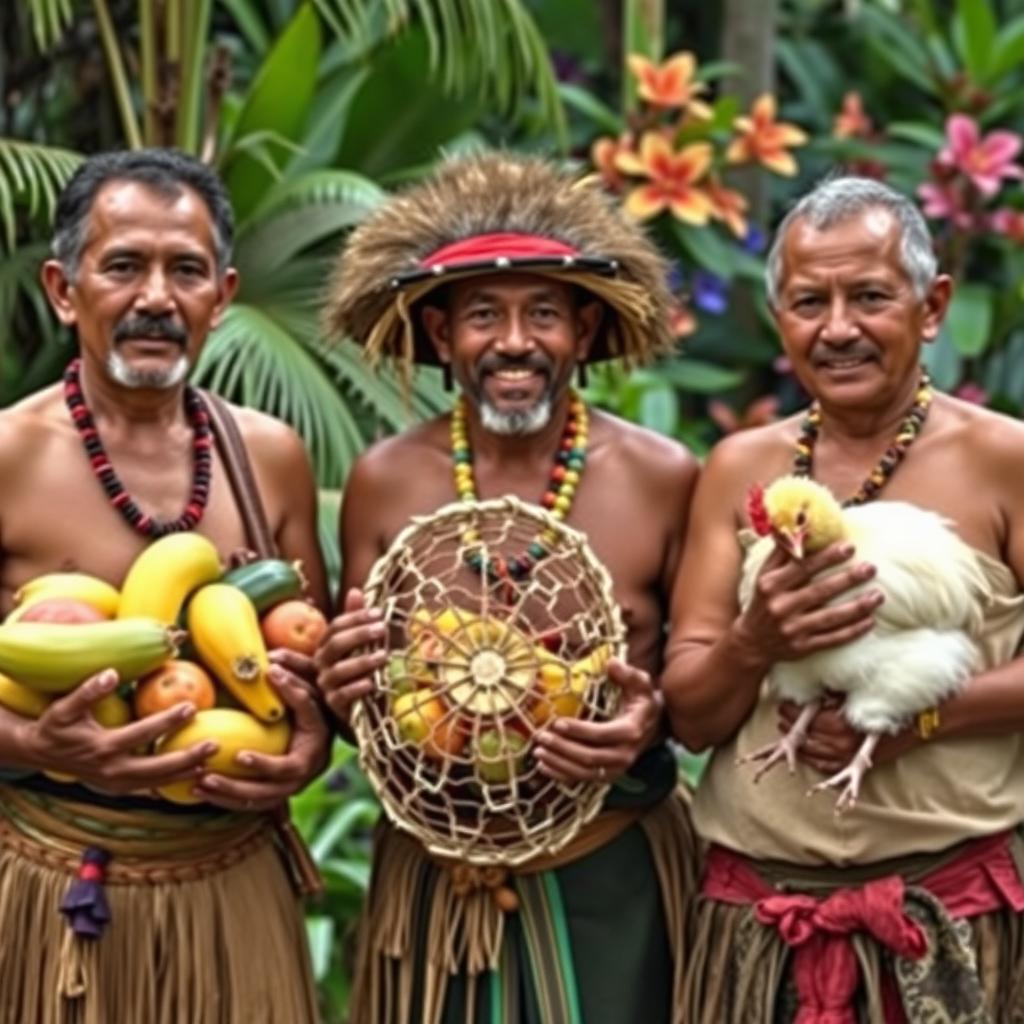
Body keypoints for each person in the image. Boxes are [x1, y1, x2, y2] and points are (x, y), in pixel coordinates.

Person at [316, 151, 701, 1024]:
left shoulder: (663, 477)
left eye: (545, 314)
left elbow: (702, 679)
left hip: (617, 872)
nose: (516, 342)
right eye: (485, 314)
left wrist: (650, 720)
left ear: (590, 332)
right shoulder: (384, 480)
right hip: (437, 884)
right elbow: (362, 703)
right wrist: (340, 695)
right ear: (443, 335)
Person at [663, 175, 1024, 1021]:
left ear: (931, 307)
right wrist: (755, 642)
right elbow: (690, 716)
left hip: (951, 913)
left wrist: (923, 719)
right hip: (756, 926)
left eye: (868, 297)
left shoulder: (1004, 461)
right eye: (806, 302)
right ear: (778, 317)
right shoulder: (738, 469)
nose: (836, 329)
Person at [0, 149, 331, 1023]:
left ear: (221, 297)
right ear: (64, 290)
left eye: (184, 270)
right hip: (48, 890)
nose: (156, 297)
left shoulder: (268, 460)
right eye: (122, 266)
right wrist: (35, 746)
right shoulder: (8, 457)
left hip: (234, 895)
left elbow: (315, 668)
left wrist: (309, 748)